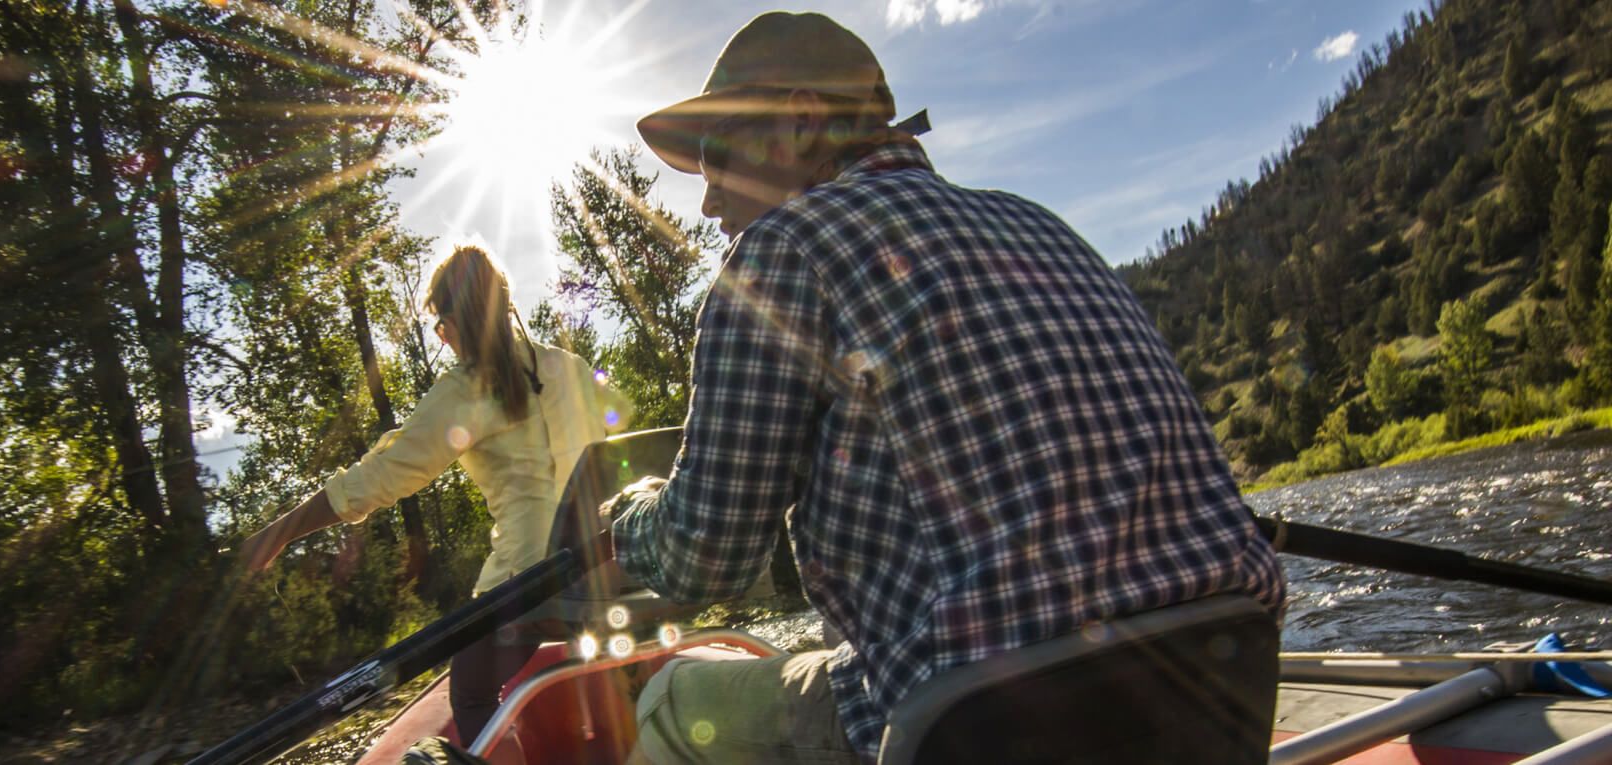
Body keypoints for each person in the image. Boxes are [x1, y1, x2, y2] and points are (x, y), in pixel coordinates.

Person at [604, 11, 1286, 763]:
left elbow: (707, 556)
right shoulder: (1039, 226)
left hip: (979, 725)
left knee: (671, 696)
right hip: (1219, 689)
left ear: (800, 122)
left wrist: (622, 519)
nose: (708, 202)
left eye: (718, 156)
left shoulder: (783, 251)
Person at [237, 245, 630, 747]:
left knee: (470, 692)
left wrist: (278, 534)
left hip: (532, 582)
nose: (444, 342)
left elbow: (382, 476)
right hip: (607, 569)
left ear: (455, 323)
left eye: (442, 330)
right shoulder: (568, 366)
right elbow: (616, 435)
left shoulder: (467, 389)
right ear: (505, 307)